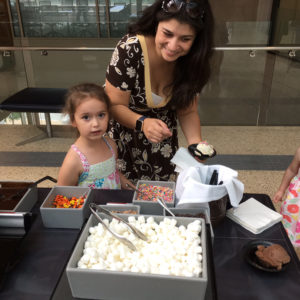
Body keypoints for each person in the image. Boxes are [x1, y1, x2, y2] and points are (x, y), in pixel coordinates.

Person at [105, 0, 215, 183]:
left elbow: (187, 111)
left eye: (185, 39)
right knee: (124, 200)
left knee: (161, 196)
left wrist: (196, 144)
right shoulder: (130, 48)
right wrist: (143, 123)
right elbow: (114, 104)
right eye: (167, 33)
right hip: (124, 141)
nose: (173, 46)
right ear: (156, 23)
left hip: (162, 145)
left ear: (196, 40)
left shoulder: (193, 61)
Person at [57, 83, 134, 189]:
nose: (96, 124)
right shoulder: (73, 161)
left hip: (114, 204)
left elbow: (113, 172)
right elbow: (62, 195)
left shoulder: (111, 144)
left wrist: (132, 189)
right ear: (73, 120)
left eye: (101, 115)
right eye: (86, 117)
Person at [274, 147, 300, 247]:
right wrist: (281, 190)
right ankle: (289, 238)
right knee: (291, 217)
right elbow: (291, 170)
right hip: (297, 197)